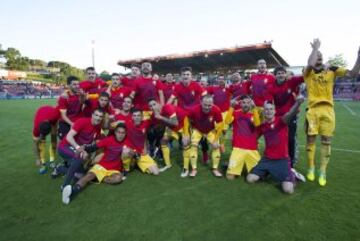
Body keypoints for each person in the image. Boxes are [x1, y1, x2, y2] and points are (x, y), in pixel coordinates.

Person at [304, 39, 360, 186]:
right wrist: (315, 48)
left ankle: (322, 171)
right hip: (313, 111)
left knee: (326, 141)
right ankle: (311, 167)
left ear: (323, 59)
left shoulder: (332, 70)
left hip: (328, 111)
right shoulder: (307, 72)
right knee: (310, 140)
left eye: (321, 58)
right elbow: (310, 63)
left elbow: (352, 74)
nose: (318, 60)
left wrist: (359, 57)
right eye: (316, 57)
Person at [246, 96, 304, 194]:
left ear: (275, 111)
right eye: (266, 109)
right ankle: (267, 172)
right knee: (250, 179)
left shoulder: (281, 121)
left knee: (288, 190)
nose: (268, 111)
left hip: (282, 160)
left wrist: (297, 103)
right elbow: (253, 138)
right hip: (267, 159)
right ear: (263, 112)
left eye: (271, 109)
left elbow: (290, 114)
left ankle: (293, 174)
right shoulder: (263, 126)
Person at [61, 123, 129, 205]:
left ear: (125, 133)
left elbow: (134, 152)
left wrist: (130, 153)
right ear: (115, 132)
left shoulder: (127, 141)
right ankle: (72, 192)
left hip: (114, 169)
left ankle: (98, 178)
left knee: (118, 179)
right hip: (102, 166)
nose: (120, 135)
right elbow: (93, 147)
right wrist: (83, 148)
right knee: (88, 176)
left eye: (123, 133)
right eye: (119, 132)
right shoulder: (108, 140)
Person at [270, 66, 305, 182]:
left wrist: (313, 66)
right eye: (279, 73)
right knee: (278, 139)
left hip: (291, 115)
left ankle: (291, 164)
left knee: (290, 139)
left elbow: (305, 76)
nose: (281, 75)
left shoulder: (292, 81)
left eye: (283, 73)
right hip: (278, 117)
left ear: (285, 74)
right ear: (275, 75)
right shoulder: (271, 86)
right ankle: (278, 158)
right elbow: (269, 101)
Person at [57, 109, 104, 189]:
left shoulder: (98, 128)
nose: (98, 118)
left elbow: (96, 143)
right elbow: (69, 137)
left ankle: (59, 168)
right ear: (92, 115)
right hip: (64, 147)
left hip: (76, 150)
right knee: (79, 157)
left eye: (100, 116)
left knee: (81, 175)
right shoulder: (82, 121)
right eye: (96, 115)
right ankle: (65, 186)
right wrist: (80, 149)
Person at [148, 99, 190, 172]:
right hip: (171, 127)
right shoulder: (154, 116)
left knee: (185, 143)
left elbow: (175, 122)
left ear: (158, 104)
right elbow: (150, 124)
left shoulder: (167, 107)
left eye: (154, 104)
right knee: (163, 141)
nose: (153, 107)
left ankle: (186, 168)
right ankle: (168, 165)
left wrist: (161, 117)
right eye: (150, 106)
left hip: (183, 123)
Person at [186, 95, 223, 177]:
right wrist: (186, 134)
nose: (207, 107)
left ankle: (215, 169)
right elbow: (186, 119)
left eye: (209, 105)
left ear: (213, 104)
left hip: (210, 131)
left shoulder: (216, 110)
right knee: (193, 146)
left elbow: (220, 126)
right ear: (201, 103)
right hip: (198, 130)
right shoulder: (194, 109)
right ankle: (194, 169)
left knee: (216, 146)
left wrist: (216, 140)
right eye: (205, 104)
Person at [226, 95, 261, 180]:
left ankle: (241, 165)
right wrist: (231, 107)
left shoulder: (254, 114)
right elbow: (227, 121)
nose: (246, 105)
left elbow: (257, 124)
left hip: (252, 148)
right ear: (240, 104)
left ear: (251, 104)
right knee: (230, 177)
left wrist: (255, 108)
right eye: (243, 102)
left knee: (258, 177)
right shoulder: (235, 112)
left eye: (248, 102)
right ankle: (236, 165)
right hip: (238, 147)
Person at [122, 109, 160, 175]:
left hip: (140, 152)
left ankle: (136, 163)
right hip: (130, 151)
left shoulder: (146, 123)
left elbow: (155, 117)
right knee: (125, 151)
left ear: (142, 117)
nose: (136, 118)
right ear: (132, 117)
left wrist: (145, 147)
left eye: (139, 116)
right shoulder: (126, 123)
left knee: (156, 172)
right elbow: (111, 126)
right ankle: (126, 170)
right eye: (135, 116)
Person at [32, 105, 60, 174]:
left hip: (52, 114)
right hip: (41, 112)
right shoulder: (36, 128)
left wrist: (54, 132)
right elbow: (35, 144)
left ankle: (52, 159)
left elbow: (59, 107)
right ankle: (42, 161)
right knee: (40, 141)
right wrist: (37, 159)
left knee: (53, 137)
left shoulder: (54, 116)